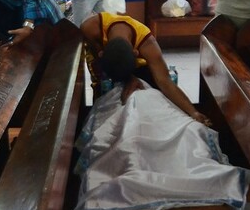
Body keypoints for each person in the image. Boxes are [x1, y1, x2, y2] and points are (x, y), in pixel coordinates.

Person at [80, 12, 211, 125]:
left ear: (136, 53)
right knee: (106, 103)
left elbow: (165, 81)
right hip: (106, 65)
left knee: (144, 102)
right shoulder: (90, 28)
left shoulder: (147, 44)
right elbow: (98, 61)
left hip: (139, 69)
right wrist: (126, 80)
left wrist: (193, 112)